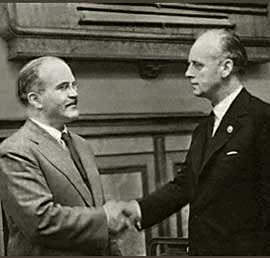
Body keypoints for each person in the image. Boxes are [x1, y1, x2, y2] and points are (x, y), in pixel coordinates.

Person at [123, 29, 270, 255]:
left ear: (226, 68)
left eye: (197, 65)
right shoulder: (204, 129)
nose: (188, 73)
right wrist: (137, 210)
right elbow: (185, 186)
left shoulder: (262, 120)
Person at [0, 56, 130, 256]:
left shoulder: (81, 145)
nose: (74, 94)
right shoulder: (16, 150)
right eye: (63, 87)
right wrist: (105, 217)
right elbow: (40, 221)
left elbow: (101, 219)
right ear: (35, 99)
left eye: (74, 85)